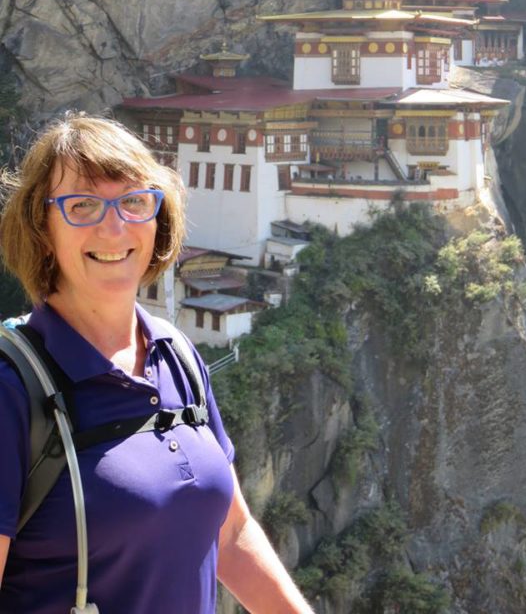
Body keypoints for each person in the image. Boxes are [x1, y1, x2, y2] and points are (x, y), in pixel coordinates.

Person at [0, 113, 314, 614]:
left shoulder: (176, 354)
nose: (114, 225)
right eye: (82, 205)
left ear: (158, 217)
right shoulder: (13, 390)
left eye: (133, 202)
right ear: (41, 229)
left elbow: (230, 534)